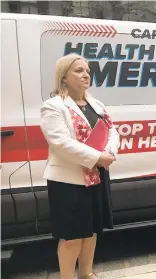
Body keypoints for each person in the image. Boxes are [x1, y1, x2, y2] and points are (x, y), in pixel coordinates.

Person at [40, 53, 120, 279]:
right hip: (69, 181)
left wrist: (110, 152)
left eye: (87, 71)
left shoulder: (97, 104)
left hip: (96, 177)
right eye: (78, 70)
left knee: (91, 231)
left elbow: (112, 130)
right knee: (72, 237)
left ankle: (86, 274)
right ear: (63, 77)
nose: (86, 75)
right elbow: (61, 143)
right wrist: (98, 157)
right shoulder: (53, 106)